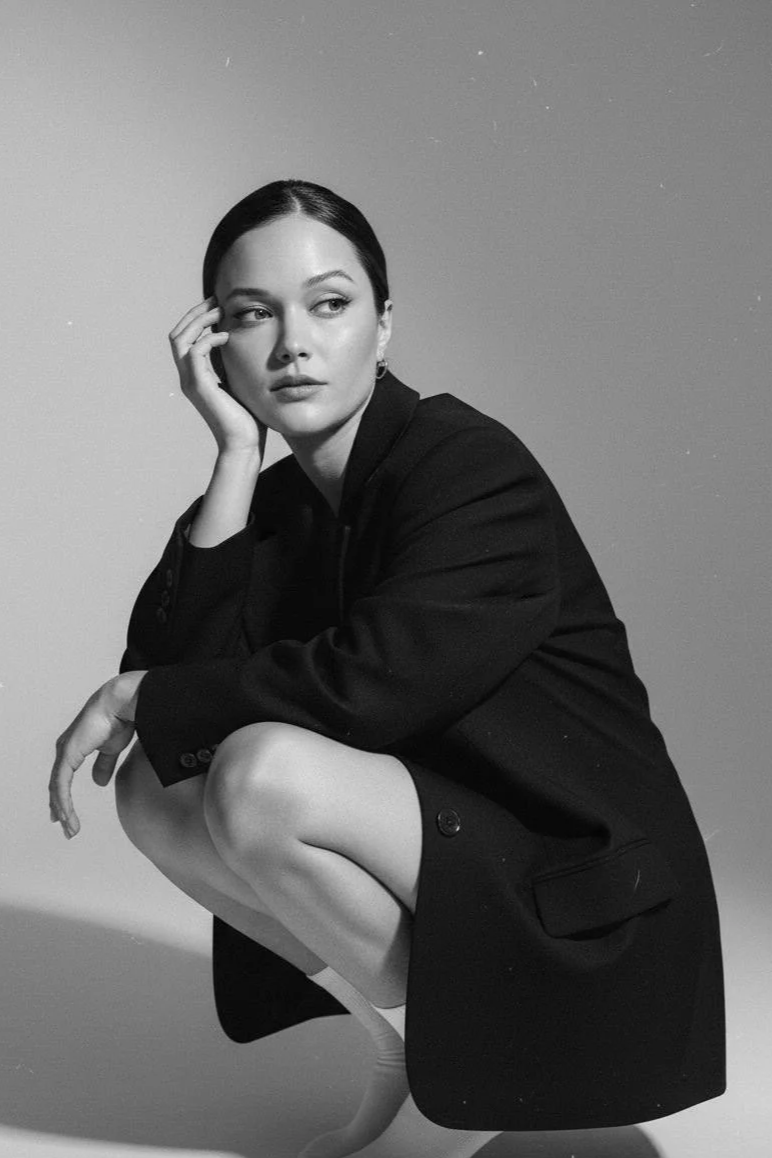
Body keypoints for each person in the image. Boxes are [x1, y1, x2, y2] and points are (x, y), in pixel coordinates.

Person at [49, 179, 725, 1158]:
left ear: (384, 324)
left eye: (329, 304)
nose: (292, 344)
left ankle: (457, 1078)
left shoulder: (467, 466)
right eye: (251, 316)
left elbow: (374, 685)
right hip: (448, 842)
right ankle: (406, 1050)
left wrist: (149, 696)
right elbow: (171, 703)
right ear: (215, 348)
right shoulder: (273, 502)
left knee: (259, 774)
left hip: (570, 866)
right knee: (157, 786)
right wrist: (234, 456)